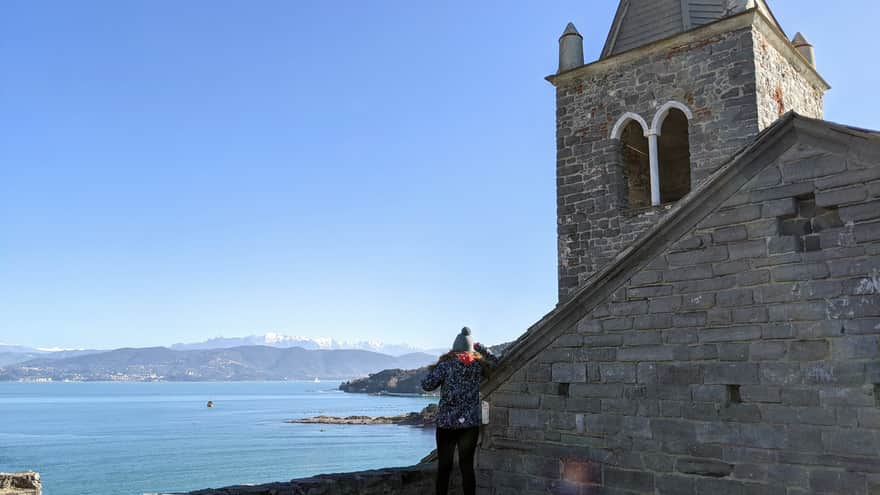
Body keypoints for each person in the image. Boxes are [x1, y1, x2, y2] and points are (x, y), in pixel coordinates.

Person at [421, 327, 498, 495]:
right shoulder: (478, 366)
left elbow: (426, 385)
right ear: (471, 348)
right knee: (467, 467)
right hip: (469, 425)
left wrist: (435, 370)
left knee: (444, 467)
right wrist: (479, 346)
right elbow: (495, 361)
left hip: (447, 424)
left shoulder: (446, 365)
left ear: (454, 348)